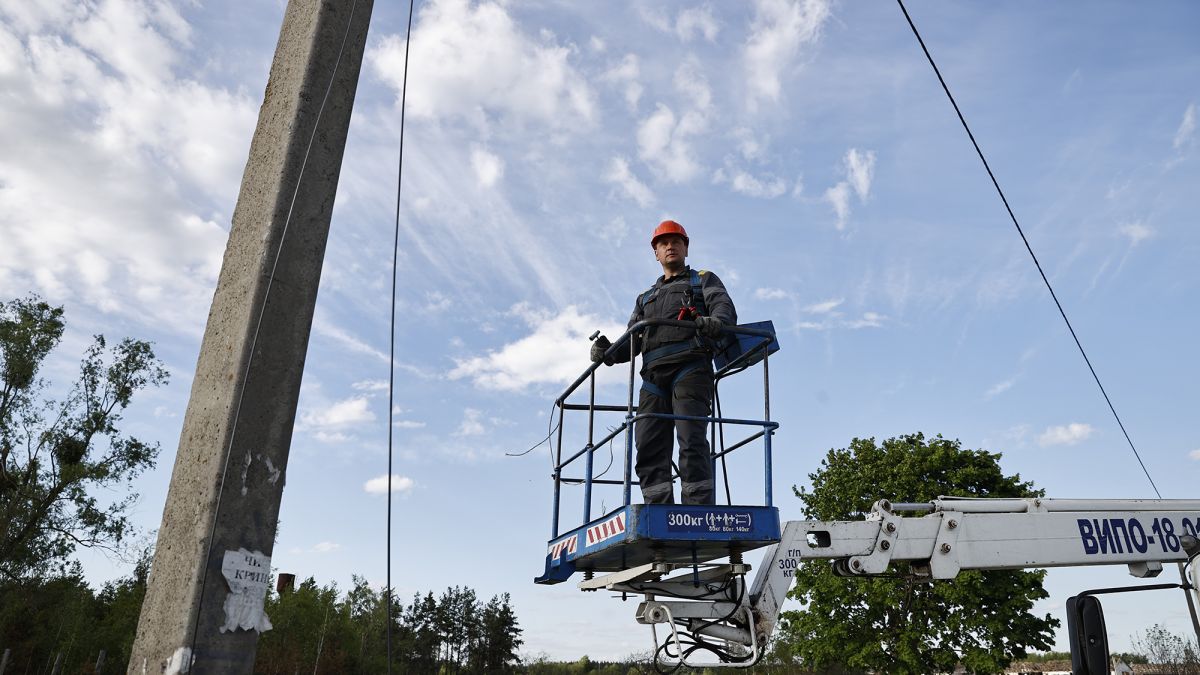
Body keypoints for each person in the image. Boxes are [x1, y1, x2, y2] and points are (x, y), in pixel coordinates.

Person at [590, 220, 737, 505]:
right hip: (653, 378)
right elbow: (632, 341)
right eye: (663, 243)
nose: (670, 246)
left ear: (685, 247)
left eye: (676, 241)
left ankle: (697, 511)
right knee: (647, 444)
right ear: (656, 253)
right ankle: (658, 511)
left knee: (691, 438)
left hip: (690, 368)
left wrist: (715, 322)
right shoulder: (646, 298)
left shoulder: (702, 280)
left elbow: (723, 308)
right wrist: (608, 352)